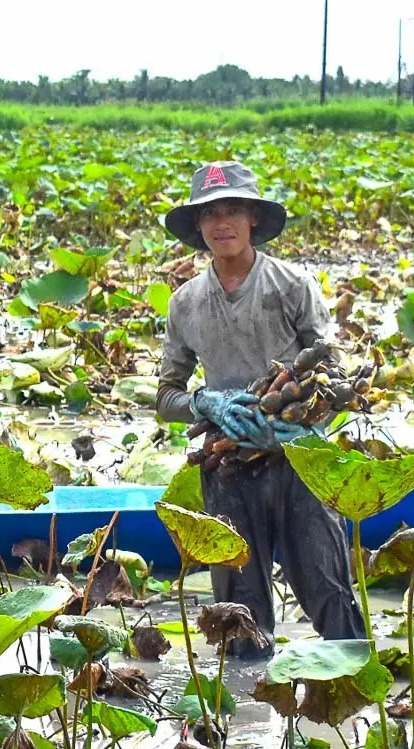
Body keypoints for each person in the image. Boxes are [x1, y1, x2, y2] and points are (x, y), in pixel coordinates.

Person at [155, 161, 364, 659]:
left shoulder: (291, 285)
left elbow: (335, 381)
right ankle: (245, 730)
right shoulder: (185, 302)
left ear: (252, 219)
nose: (221, 223)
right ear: (198, 227)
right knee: (238, 616)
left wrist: (297, 430)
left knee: (328, 590)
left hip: (301, 463)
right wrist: (206, 401)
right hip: (226, 465)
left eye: (232, 211)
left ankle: (356, 713)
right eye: (209, 214)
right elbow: (167, 396)